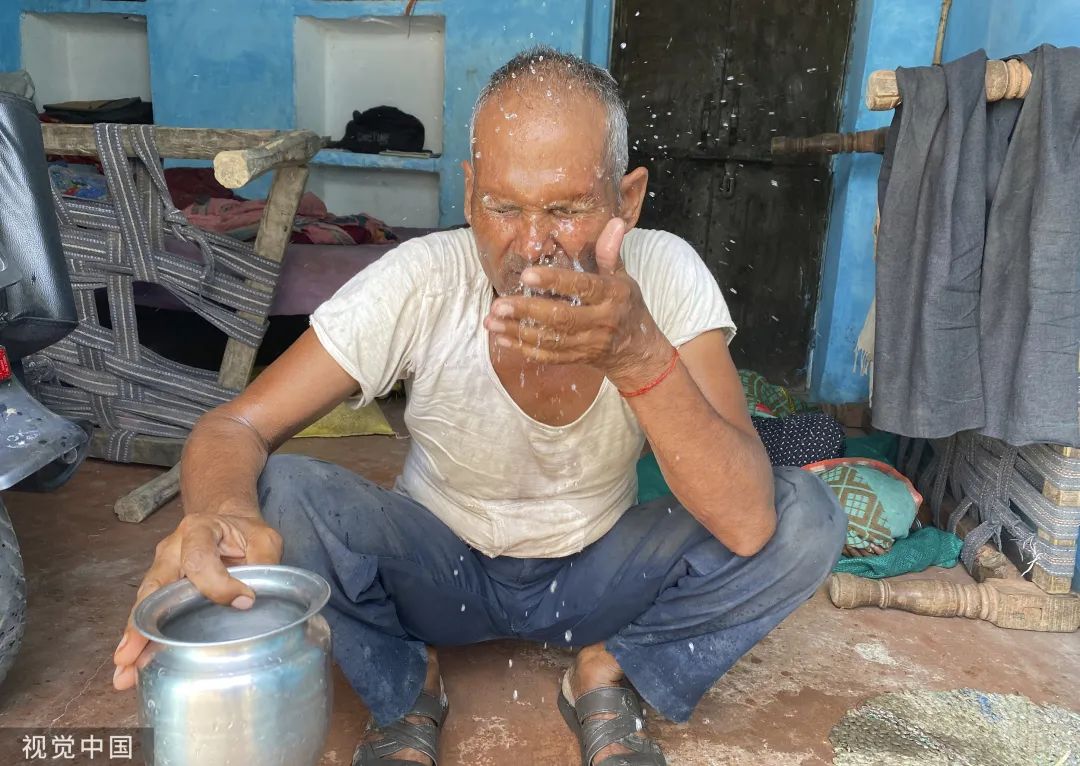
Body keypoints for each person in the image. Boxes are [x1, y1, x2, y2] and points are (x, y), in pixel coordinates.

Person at [112, 46, 845, 766]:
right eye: (501, 207)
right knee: (279, 489)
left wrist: (639, 355)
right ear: (468, 195)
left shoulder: (668, 273)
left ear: (627, 200)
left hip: (598, 579)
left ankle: (609, 669)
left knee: (805, 515)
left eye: (564, 208)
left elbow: (749, 518)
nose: (530, 246)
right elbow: (235, 425)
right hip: (436, 574)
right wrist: (218, 511)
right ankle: (407, 685)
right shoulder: (424, 279)